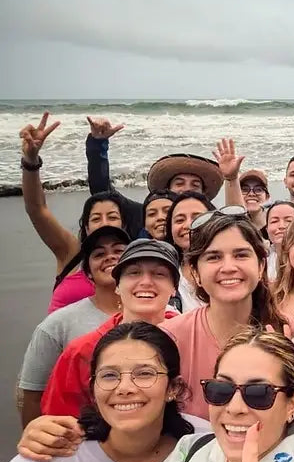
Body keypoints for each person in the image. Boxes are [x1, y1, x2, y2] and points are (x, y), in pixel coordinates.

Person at [1, 322, 194, 462]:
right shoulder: (49, 461)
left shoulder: (205, 449)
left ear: (173, 387)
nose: (124, 388)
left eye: (144, 373)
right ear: (93, 390)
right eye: (109, 375)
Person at [145, 328, 294, 462]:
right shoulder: (191, 449)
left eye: (258, 393)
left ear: (292, 405)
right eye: (222, 389)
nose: (235, 408)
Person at [160, 209, 285, 419]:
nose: (228, 267)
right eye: (214, 257)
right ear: (196, 273)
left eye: (241, 255)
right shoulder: (169, 338)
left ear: (261, 266)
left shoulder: (285, 333)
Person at [41, 239, 181, 418]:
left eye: (159, 274)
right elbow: (59, 420)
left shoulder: (192, 340)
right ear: (117, 286)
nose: (146, 282)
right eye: (134, 273)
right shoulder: (82, 351)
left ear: (174, 288)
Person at [18, 226, 130, 427]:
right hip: (83, 434)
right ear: (87, 272)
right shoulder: (56, 326)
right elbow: (33, 396)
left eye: (119, 250)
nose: (110, 257)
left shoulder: (157, 313)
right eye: (99, 254)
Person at [18, 113, 131, 313]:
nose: (104, 222)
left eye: (112, 217)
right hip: (60, 333)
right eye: (96, 218)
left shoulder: (134, 259)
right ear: (86, 227)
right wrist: (30, 161)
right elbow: (36, 209)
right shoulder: (71, 252)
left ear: (123, 224)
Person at [86, 116, 223, 236]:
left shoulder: (213, 223)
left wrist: (231, 178)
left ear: (203, 194)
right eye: (179, 183)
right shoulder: (143, 214)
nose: (186, 189)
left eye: (195, 185)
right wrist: (98, 144)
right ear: (166, 189)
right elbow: (102, 191)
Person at [163, 192, 216, 313]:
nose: (188, 225)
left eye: (197, 218)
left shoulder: (229, 267)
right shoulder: (165, 275)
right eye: (179, 220)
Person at [264, 201, 294, 281]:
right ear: (267, 229)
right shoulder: (262, 260)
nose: (281, 226)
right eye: (274, 221)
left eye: (288, 221)